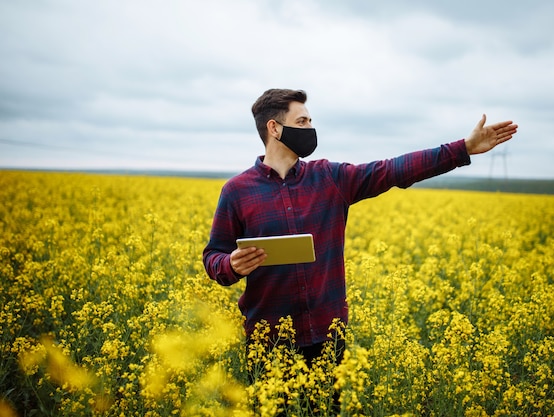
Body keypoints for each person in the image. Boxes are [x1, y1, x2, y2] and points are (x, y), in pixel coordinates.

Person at [202, 88, 518, 368]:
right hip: (267, 342)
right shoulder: (237, 191)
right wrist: (230, 265)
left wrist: (462, 149)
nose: (310, 129)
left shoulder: (330, 179)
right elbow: (214, 256)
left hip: (327, 338)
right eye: (301, 122)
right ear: (274, 128)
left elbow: (393, 170)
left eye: (311, 122)